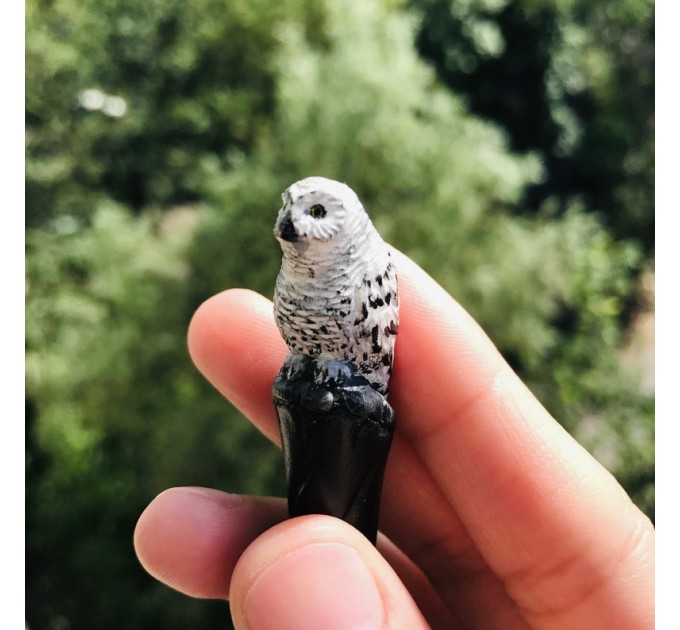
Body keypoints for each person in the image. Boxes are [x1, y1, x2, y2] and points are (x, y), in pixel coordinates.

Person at [134, 250, 654, 629]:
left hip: (352, 396)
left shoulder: (367, 273)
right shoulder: (298, 271)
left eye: (316, 212)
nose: (295, 225)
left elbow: (372, 348)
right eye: (291, 213)